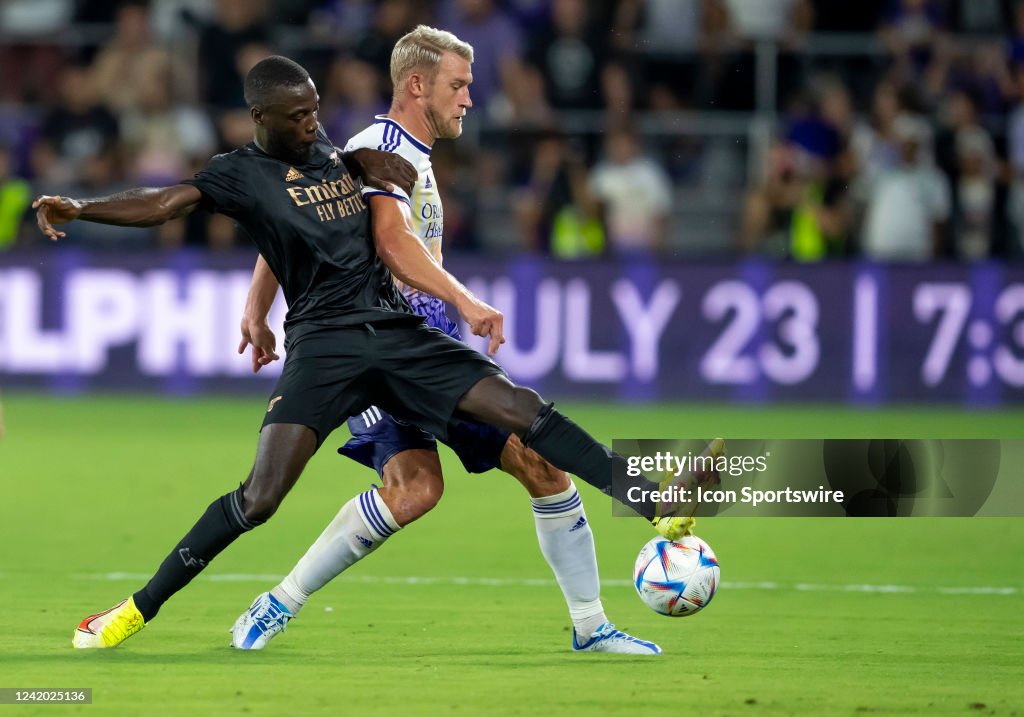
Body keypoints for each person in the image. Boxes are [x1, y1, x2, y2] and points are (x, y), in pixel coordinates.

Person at [33, 55, 692, 655]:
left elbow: (335, 209)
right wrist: (84, 208)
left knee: (521, 409)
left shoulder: (327, 149)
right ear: (262, 119)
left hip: (394, 330)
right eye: (299, 114)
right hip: (325, 346)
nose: (313, 120)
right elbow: (163, 204)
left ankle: (650, 501)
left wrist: (361, 171)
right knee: (261, 498)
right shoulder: (239, 174)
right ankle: (134, 610)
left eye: (316, 107)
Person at [229, 26, 689, 655]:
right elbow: (336, 233)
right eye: (459, 85)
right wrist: (463, 300)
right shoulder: (377, 149)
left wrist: (256, 310)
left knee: (535, 468)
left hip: (425, 346)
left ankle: (591, 626)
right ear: (417, 85)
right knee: (419, 488)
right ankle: (277, 604)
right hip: (379, 348)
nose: (471, 98)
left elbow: (302, 227)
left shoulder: (409, 154)